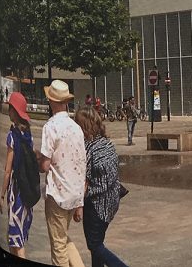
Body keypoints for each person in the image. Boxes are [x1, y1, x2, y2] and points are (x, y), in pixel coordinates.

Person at [39, 79, 85, 267]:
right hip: (74, 193)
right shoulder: (76, 128)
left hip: (58, 194)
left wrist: (37, 158)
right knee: (63, 239)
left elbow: (45, 165)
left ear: (51, 101)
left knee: (58, 246)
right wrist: (80, 202)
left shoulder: (50, 127)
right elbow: (82, 165)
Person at [75, 109, 129, 267]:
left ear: (83, 127)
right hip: (112, 202)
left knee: (95, 245)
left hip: (96, 205)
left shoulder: (88, 148)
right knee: (98, 242)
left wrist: (78, 205)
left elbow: (84, 181)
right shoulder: (107, 143)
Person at [2, 91, 36, 259]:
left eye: (10, 108)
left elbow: (8, 170)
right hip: (28, 190)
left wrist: (2, 195)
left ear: (13, 111)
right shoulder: (29, 135)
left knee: (17, 241)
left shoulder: (12, 136)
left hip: (16, 191)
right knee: (15, 237)